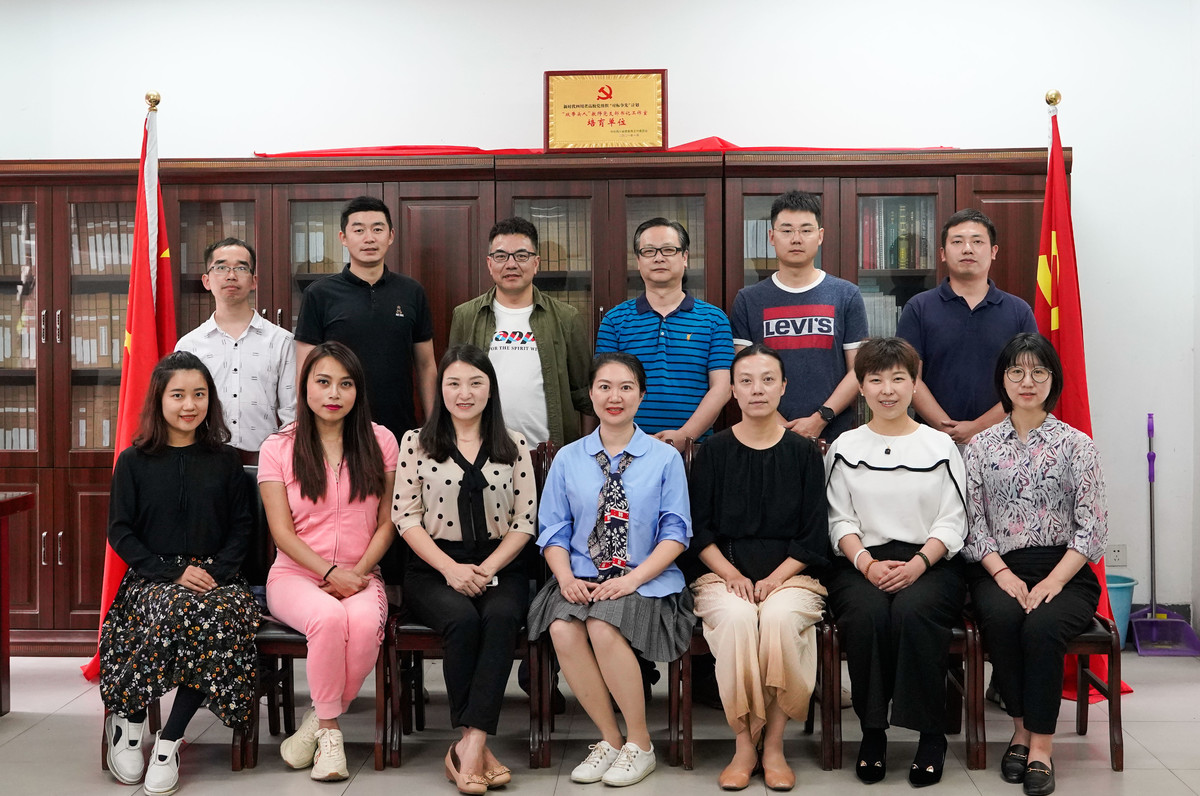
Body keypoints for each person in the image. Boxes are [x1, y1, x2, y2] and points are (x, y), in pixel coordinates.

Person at [526, 352, 694, 787]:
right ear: (591, 394)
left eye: (625, 387)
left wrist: (631, 580)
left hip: (646, 578)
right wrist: (565, 578)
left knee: (602, 625)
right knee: (563, 628)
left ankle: (641, 744)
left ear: (641, 395)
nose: (614, 397)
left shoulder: (664, 458)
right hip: (580, 576)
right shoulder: (568, 458)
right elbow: (553, 530)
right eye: (604, 387)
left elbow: (676, 533)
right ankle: (611, 740)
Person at [100, 351, 259, 795]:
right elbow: (121, 531)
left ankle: (169, 740)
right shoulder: (133, 461)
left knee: (213, 615)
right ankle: (130, 722)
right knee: (175, 608)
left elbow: (242, 527)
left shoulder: (226, 460)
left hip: (218, 578)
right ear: (159, 399)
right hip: (153, 578)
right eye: (178, 395)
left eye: (199, 394)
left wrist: (217, 572)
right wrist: (171, 572)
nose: (190, 405)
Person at [963, 333, 1108, 796]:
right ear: (1003, 380)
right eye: (1016, 372)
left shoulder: (1077, 445)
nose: (1027, 382)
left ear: (1052, 379)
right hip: (998, 568)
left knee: (1042, 626)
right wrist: (1003, 574)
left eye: (1038, 372)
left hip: (1066, 570)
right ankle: (1020, 731)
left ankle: (1041, 747)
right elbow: (972, 524)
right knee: (1004, 619)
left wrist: (1053, 581)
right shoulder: (980, 447)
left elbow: (1092, 528)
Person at [393, 344, 538, 794]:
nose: (465, 393)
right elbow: (405, 517)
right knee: (461, 619)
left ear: (490, 389)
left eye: (476, 383)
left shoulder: (514, 444)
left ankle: (469, 745)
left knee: (500, 616)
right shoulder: (415, 442)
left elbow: (525, 521)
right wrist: (452, 569)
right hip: (432, 566)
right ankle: (475, 748)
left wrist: (486, 568)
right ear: (441, 388)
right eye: (454, 383)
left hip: (501, 563)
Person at [685, 343, 829, 791]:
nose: (757, 389)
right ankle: (744, 744)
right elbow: (699, 532)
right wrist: (732, 576)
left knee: (782, 620)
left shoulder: (805, 453)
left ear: (784, 387)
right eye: (745, 381)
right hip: (722, 573)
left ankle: (775, 746)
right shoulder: (713, 452)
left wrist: (775, 579)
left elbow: (813, 535)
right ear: (732, 390)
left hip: (793, 575)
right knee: (738, 620)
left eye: (768, 380)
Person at [823, 337, 967, 787]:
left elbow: (953, 520)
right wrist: (866, 563)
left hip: (931, 562)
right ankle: (873, 732)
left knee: (914, 611)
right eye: (876, 380)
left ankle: (930, 735)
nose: (887, 390)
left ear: (914, 384)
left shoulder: (939, 445)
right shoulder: (844, 445)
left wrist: (919, 564)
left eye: (898, 379)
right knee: (866, 615)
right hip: (860, 561)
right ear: (861, 387)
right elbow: (838, 519)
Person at [259, 341, 398, 782]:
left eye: (345, 383)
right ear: (305, 387)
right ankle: (332, 735)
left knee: (364, 628)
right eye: (323, 382)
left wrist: (356, 573)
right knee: (328, 619)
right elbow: (281, 533)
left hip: (362, 573)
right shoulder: (278, 446)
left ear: (358, 390)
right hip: (295, 576)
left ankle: (315, 724)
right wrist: (330, 572)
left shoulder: (381, 440)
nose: (334, 393)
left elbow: (388, 522)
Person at [294, 195, 437, 439]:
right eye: (359, 230)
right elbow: (305, 370)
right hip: (337, 430)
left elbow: (426, 365)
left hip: (399, 429)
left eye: (377, 229)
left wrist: (434, 427)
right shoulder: (319, 294)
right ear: (343, 238)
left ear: (391, 235)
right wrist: (305, 430)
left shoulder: (412, 292)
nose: (369, 238)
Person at [731, 191, 868, 442]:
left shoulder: (846, 295)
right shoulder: (748, 300)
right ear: (772, 237)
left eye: (806, 230)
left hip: (833, 436)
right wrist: (781, 428)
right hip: (766, 436)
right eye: (786, 230)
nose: (796, 239)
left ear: (820, 236)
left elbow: (858, 370)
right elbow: (743, 374)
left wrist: (820, 418)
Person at [896, 209, 1037, 445]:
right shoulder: (919, 308)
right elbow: (908, 377)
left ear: (993, 251)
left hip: (1005, 442)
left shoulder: (1018, 311)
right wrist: (946, 429)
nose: (967, 249)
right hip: (932, 442)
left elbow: (1028, 382)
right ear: (943, 253)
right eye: (957, 242)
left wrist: (978, 428)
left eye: (977, 241)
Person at [449, 216, 592, 446]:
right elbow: (454, 387)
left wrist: (585, 450)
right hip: (483, 451)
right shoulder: (465, 316)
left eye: (521, 256)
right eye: (501, 256)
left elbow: (585, 395)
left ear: (536, 263)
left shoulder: (567, 318)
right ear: (489, 264)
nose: (511, 264)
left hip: (549, 452)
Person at [596, 217, 733, 450]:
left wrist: (684, 436)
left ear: (685, 257)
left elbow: (722, 388)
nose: (659, 258)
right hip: (627, 447)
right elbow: (605, 387)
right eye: (649, 251)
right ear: (638, 261)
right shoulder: (614, 320)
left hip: (695, 447)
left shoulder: (714, 319)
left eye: (668, 250)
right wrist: (634, 440)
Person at [175, 237, 296, 454]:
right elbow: (180, 411)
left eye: (241, 268)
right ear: (206, 281)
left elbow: (292, 414)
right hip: (204, 460)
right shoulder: (189, 345)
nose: (231, 275)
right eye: (221, 267)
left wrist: (284, 460)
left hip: (265, 462)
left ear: (254, 281)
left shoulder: (282, 341)